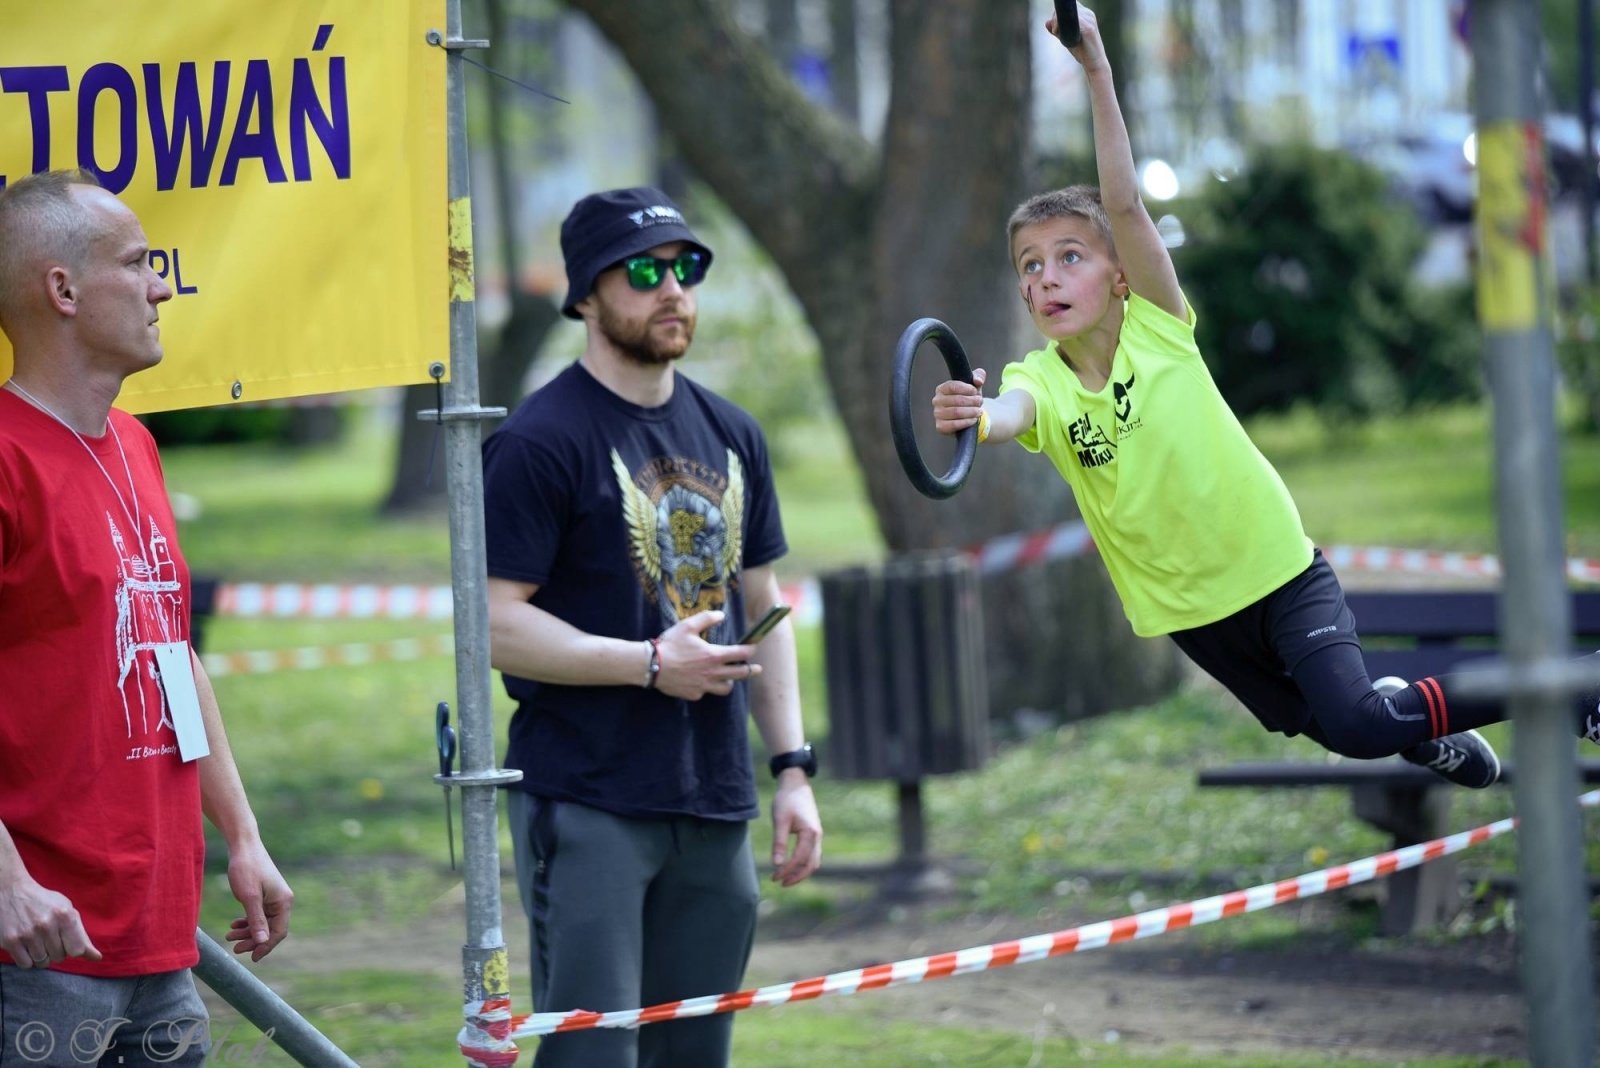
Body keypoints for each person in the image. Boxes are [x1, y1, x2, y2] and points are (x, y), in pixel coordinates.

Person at [931, 5, 1600, 786]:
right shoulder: (1037, 379)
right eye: (1030, 266)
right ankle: (1414, 726)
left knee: (1357, 722)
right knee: (1346, 729)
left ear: (1119, 277)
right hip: (1193, 616)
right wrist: (975, 416)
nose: (1044, 276)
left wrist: (1098, 73)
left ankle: (1574, 678)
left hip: (1276, 572)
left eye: (1067, 256)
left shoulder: (1158, 328)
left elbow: (1124, 207)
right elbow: (1008, 416)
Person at [482, 186, 823, 1068]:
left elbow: (764, 604)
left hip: (713, 799)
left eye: (686, 267)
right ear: (587, 296)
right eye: (643, 270)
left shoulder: (732, 430)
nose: (671, 288)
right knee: (594, 1060)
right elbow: (492, 625)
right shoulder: (538, 439)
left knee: (694, 1058)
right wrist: (644, 664)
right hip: (590, 799)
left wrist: (792, 769)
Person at [0, 170, 293, 1064]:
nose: (162, 285)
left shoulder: (135, 445)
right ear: (63, 289)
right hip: (36, 942)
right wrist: (6, 880)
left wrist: (240, 836)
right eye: (139, 264)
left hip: (160, 934)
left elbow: (173, 652)